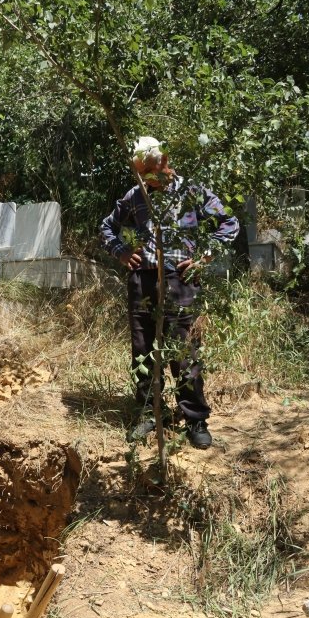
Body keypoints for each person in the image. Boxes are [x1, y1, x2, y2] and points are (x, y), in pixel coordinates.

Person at [100, 136, 239, 449]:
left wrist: (204, 256)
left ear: (162, 163)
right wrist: (121, 251)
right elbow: (107, 227)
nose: (144, 177)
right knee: (143, 349)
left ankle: (195, 419)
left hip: (181, 280)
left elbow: (229, 223)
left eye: (148, 170)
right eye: (139, 172)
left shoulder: (192, 192)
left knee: (184, 352)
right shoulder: (136, 195)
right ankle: (147, 415)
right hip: (142, 283)